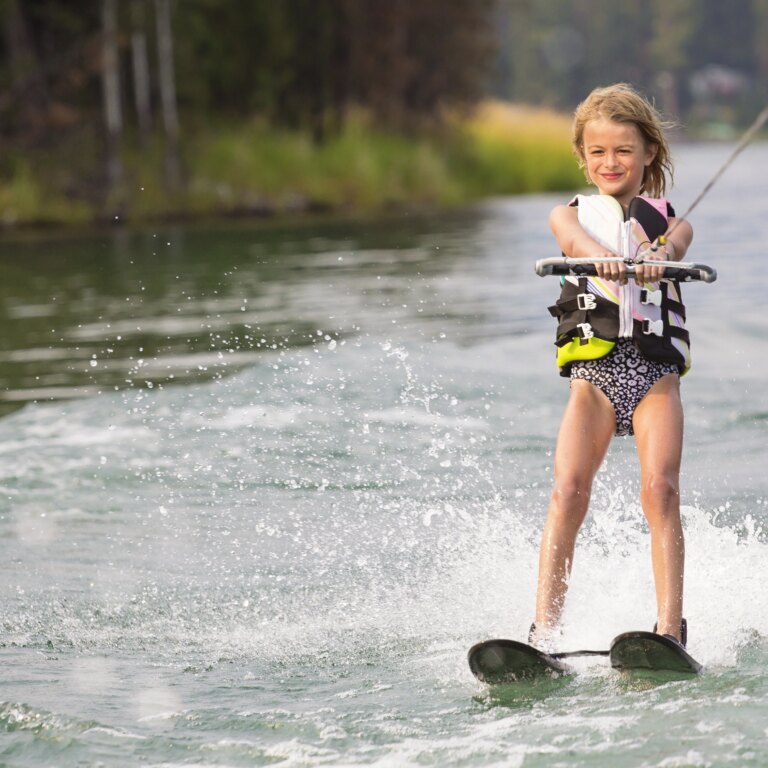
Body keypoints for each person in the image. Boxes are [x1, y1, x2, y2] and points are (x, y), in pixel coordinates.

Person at [532, 83, 694, 648]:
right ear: (582, 157)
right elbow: (571, 240)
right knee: (568, 490)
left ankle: (669, 630)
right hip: (593, 381)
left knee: (661, 491)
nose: (610, 162)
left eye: (623, 150)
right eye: (597, 152)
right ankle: (544, 632)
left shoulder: (671, 221)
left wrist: (657, 258)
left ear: (649, 151)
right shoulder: (566, 214)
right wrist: (598, 256)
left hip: (653, 379)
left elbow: (675, 246)